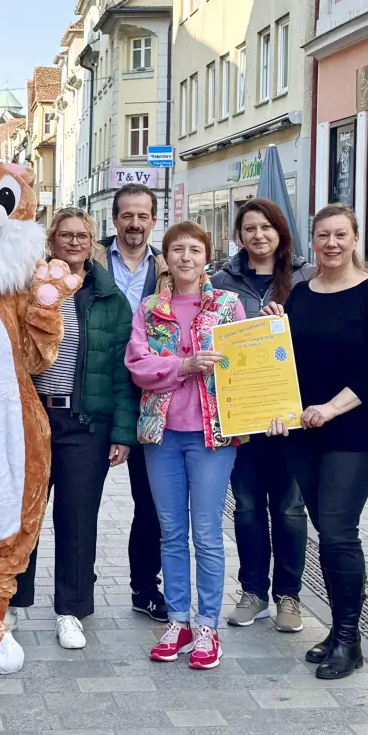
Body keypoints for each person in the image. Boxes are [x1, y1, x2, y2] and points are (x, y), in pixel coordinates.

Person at [262, 205, 368, 680]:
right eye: (323, 236)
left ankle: (348, 639)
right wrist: (273, 328)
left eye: (341, 235)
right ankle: (342, 630)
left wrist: (332, 408)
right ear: (313, 241)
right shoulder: (300, 294)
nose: (332, 244)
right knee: (327, 531)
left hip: (355, 430)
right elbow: (286, 362)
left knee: (339, 531)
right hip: (304, 431)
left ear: (355, 238)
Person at [9, 209, 135, 648]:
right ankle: (12, 602)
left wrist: (122, 433)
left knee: (77, 519)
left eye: (82, 236)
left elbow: (123, 371)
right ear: (52, 241)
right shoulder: (29, 289)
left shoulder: (110, 298)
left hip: (85, 425)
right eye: (66, 235)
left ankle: (72, 611)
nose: (75, 242)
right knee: (24, 516)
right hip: (33, 418)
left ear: (92, 242)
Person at [125, 221, 246, 669]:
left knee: (208, 533)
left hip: (212, 435)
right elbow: (138, 364)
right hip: (161, 434)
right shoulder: (150, 308)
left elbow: (244, 362)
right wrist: (185, 364)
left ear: (206, 256)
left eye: (195, 250)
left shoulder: (227, 305)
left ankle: (207, 625)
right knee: (172, 532)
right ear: (167, 257)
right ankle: (177, 619)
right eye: (177, 250)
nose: (185, 258)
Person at [212, 198, 312, 633]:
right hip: (243, 414)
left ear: (280, 232)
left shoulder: (307, 279)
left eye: (266, 228)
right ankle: (253, 591)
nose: (258, 236)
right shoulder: (221, 281)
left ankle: (288, 596)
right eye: (249, 228)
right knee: (248, 506)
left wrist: (288, 322)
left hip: (292, 415)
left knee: (289, 509)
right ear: (239, 235)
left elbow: (317, 342)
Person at [105, 183, 169, 622]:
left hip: (151, 399)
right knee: (74, 501)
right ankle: (73, 592)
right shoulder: (88, 262)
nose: (135, 223)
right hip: (95, 392)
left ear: (153, 220)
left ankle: (146, 588)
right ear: (114, 220)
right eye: (127, 215)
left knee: (151, 503)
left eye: (143, 215)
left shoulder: (170, 269)